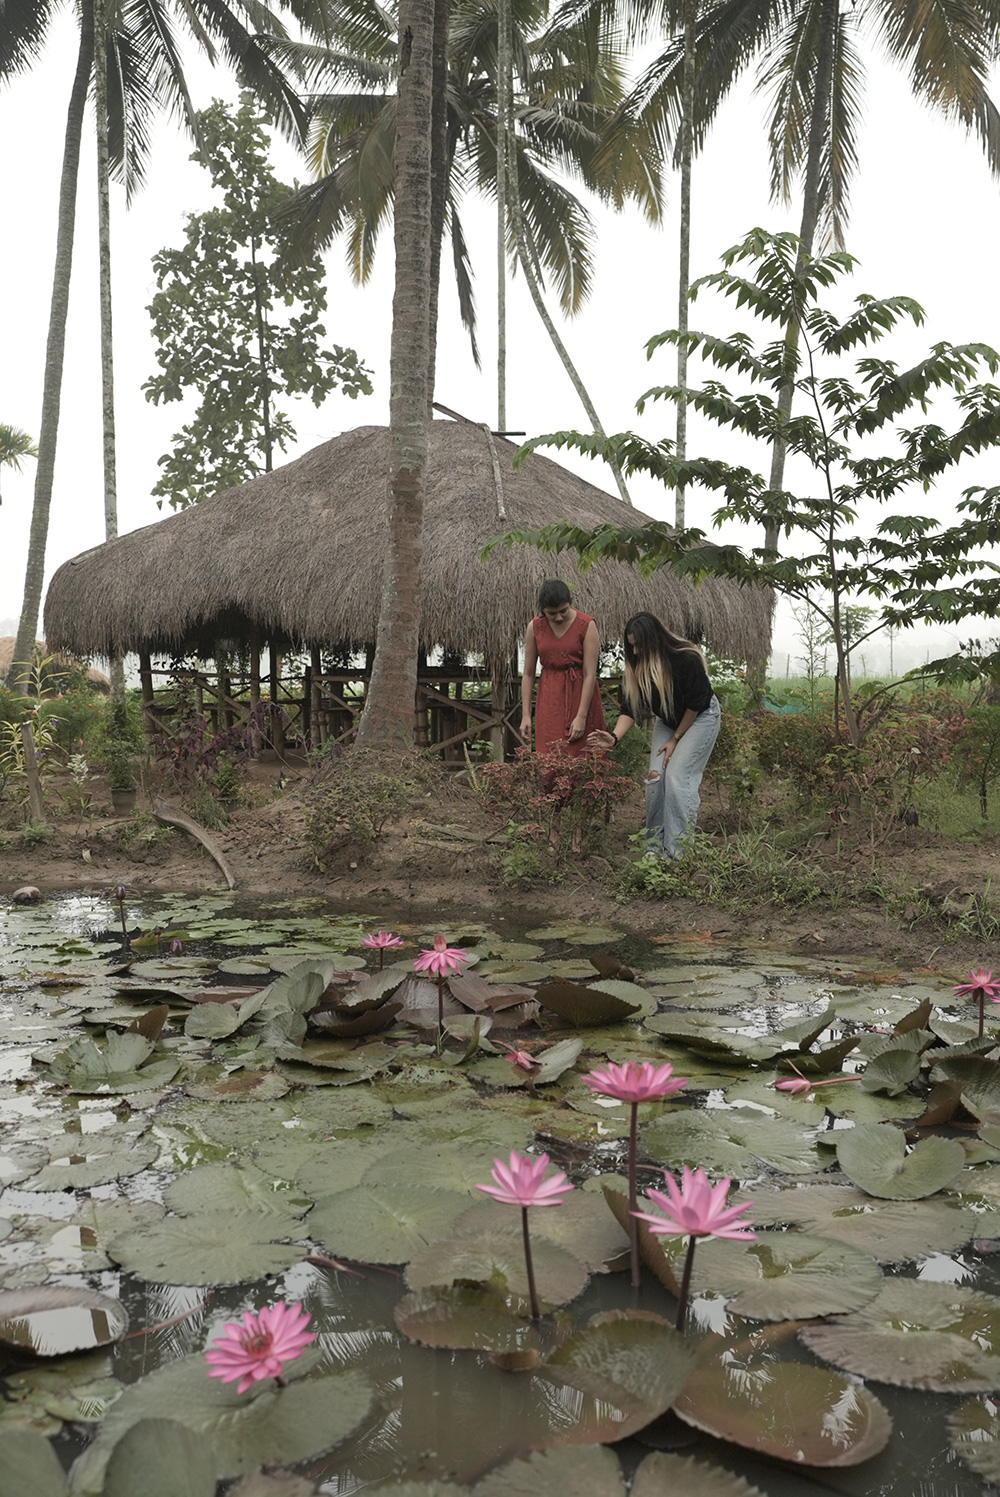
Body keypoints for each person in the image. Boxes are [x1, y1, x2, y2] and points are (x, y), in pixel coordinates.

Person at [588, 612, 721, 858]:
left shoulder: (685, 659)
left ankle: (678, 854)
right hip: (669, 720)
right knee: (655, 777)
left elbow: (695, 703)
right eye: (631, 646)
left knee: (677, 778)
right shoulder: (638, 666)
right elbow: (631, 708)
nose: (635, 651)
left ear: (654, 640)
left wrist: (676, 739)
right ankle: (654, 848)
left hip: (701, 716)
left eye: (638, 645)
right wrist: (614, 737)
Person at [520, 580, 606, 849]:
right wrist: (526, 715)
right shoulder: (535, 627)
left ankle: (578, 831)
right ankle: (554, 830)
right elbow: (527, 673)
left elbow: (591, 673)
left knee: (580, 763)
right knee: (550, 764)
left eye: (563, 611)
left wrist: (581, 715)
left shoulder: (586, 624)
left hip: (581, 695)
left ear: (571, 600)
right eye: (551, 613)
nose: (557, 617)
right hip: (549, 699)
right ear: (542, 610)